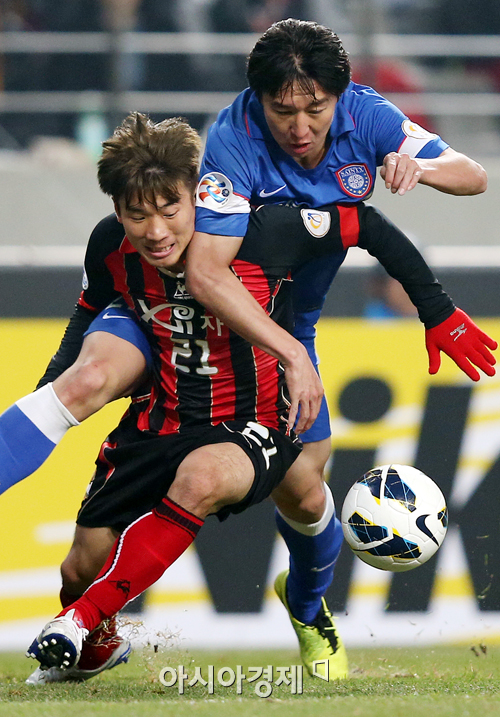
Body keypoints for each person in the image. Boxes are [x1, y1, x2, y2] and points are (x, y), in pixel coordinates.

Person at [11, 110, 493, 684]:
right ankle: (94, 640)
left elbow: (367, 224)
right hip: (165, 413)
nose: (156, 231)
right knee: (79, 567)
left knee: (298, 496)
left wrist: (437, 311)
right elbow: (87, 314)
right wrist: (42, 401)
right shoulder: (110, 245)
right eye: (138, 215)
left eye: (170, 209)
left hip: (260, 410)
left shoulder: (262, 229)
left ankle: (307, 609)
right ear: (118, 212)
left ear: (200, 196)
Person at [184, 18, 495, 681]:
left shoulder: (368, 115)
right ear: (259, 101)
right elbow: (207, 273)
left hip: (296, 332)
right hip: (219, 330)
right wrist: (291, 354)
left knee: (305, 492)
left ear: (340, 96)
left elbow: (473, 177)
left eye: (315, 108)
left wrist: (420, 166)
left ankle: (305, 606)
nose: (300, 127)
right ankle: (87, 623)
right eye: (283, 110)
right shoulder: (232, 137)